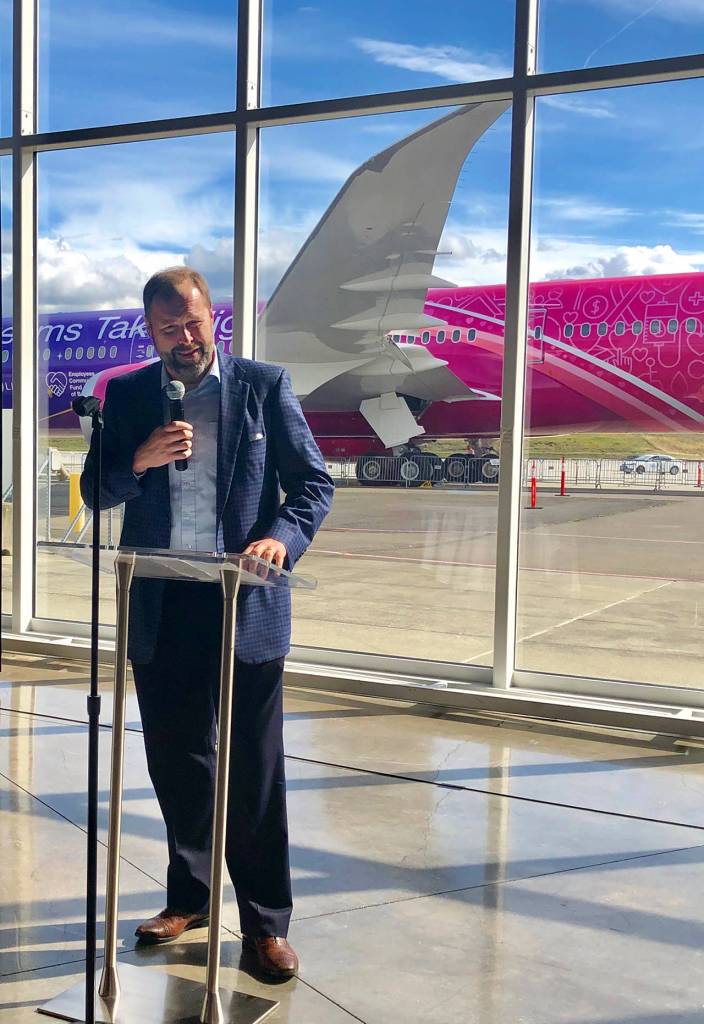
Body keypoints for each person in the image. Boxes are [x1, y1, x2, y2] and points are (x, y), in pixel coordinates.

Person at [81, 267, 334, 979]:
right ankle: (188, 899)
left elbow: (313, 484)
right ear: (150, 331)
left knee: (253, 771)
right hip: (163, 601)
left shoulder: (263, 386)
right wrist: (137, 459)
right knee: (177, 761)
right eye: (168, 329)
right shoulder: (129, 397)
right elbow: (95, 489)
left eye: (193, 323)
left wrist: (283, 537)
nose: (184, 338)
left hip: (243, 602)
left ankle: (264, 926)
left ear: (212, 318)